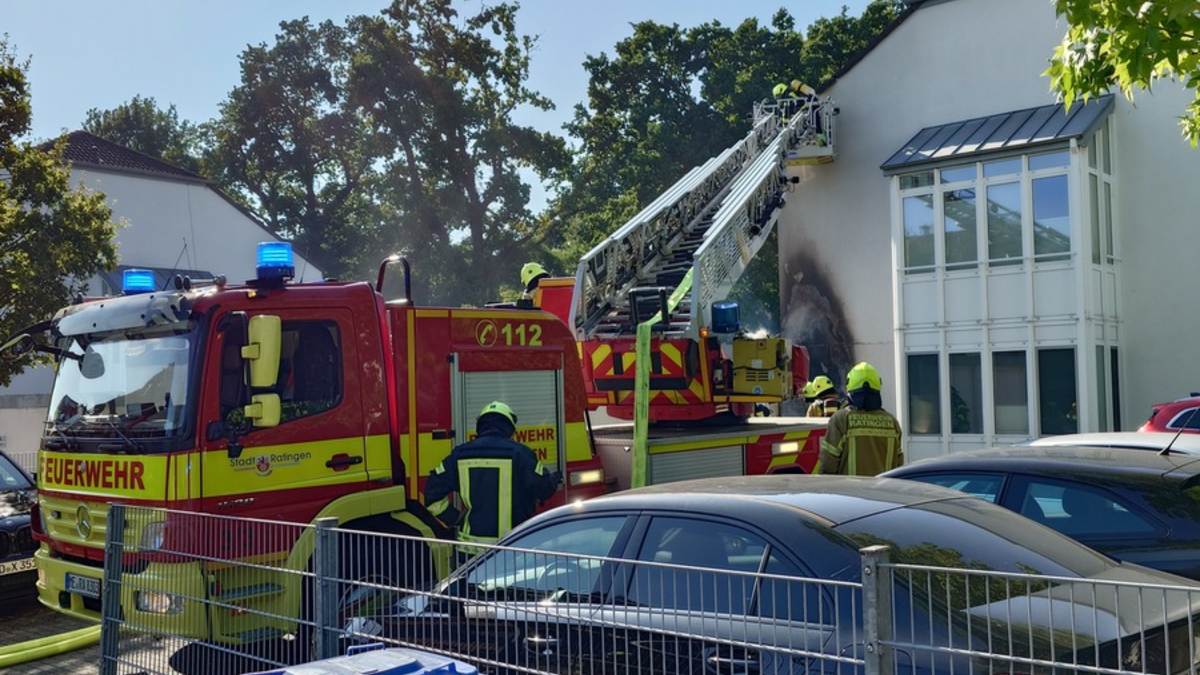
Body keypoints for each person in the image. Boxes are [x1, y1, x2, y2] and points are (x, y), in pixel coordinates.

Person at [424, 401, 560, 554]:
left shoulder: (459, 455)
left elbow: (432, 494)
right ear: (509, 428)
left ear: (480, 426)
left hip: (470, 552)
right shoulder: (520, 454)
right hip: (511, 549)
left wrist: (454, 518)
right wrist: (553, 479)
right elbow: (545, 490)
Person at [818, 362, 903, 476]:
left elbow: (828, 465)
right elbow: (899, 465)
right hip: (883, 492)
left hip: (850, 493)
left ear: (850, 387)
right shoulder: (892, 422)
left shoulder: (841, 419)